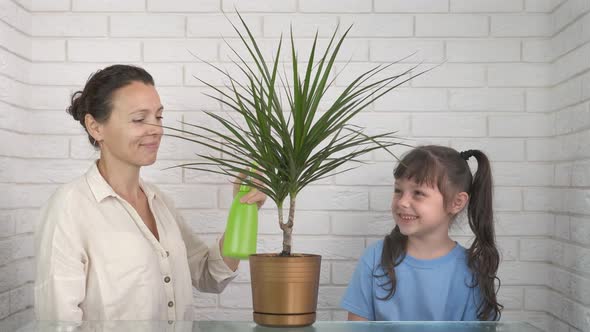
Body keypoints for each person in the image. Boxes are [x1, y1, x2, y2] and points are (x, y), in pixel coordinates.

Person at [34, 64, 266, 321]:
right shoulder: (69, 208)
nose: (155, 128)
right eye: (139, 119)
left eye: (158, 117)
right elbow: (58, 322)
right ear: (95, 127)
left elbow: (209, 275)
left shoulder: (159, 201)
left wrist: (242, 209)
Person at [340, 145, 503, 321]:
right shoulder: (374, 258)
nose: (402, 202)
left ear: (457, 202)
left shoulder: (472, 271)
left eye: (418, 193)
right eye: (398, 191)